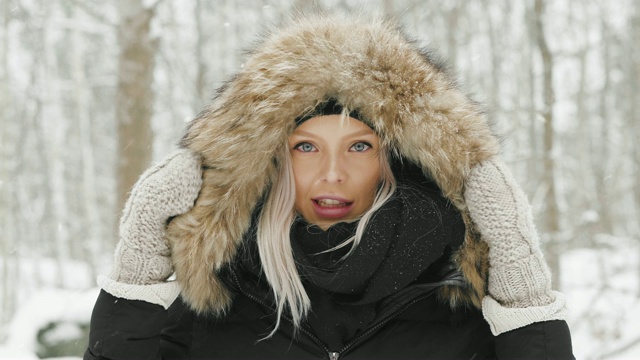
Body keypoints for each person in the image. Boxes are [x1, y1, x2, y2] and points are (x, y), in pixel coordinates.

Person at [85, 12, 574, 360]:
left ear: (396, 160)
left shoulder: (454, 297)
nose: (332, 173)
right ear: (269, 159)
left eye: (360, 147)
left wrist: (522, 299)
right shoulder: (218, 299)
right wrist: (139, 277)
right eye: (306, 147)